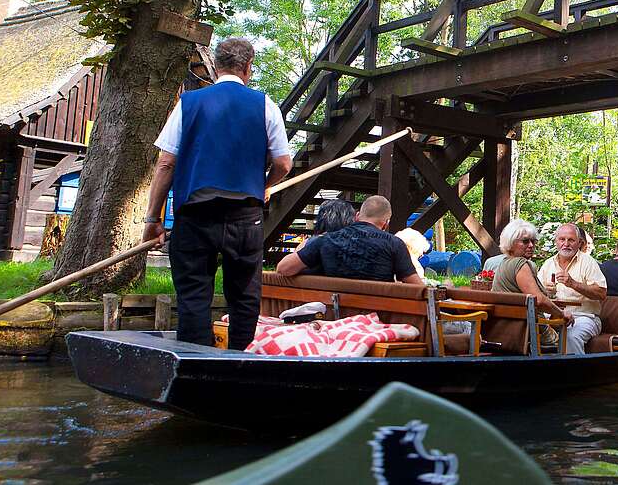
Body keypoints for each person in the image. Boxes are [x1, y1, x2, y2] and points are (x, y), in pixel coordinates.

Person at [141, 37, 292, 352]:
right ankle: (240, 363)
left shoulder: (188, 104)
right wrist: (264, 185)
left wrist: (153, 219)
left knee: (194, 296)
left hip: (196, 214)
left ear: (216, 66)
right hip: (245, 216)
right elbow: (283, 164)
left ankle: (195, 365)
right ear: (248, 67)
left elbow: (166, 164)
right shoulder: (266, 105)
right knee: (244, 296)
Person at [277, 195, 423, 284]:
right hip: (377, 317)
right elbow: (417, 287)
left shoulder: (326, 240)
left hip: (333, 314)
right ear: (386, 223)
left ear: (357, 216)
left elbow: (283, 268)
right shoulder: (394, 244)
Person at [491, 219, 572, 338]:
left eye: (533, 241)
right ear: (511, 243)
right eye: (525, 241)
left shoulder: (504, 263)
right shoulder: (520, 264)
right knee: (570, 335)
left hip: (508, 328)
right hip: (529, 333)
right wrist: (561, 313)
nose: (531, 245)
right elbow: (538, 300)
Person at [538, 223, 607, 354]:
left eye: (571, 240)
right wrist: (545, 291)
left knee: (571, 336)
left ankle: (574, 368)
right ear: (556, 241)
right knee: (532, 330)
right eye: (562, 239)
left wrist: (573, 284)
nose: (566, 244)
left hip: (583, 317)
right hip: (552, 316)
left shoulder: (588, 262)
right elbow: (536, 292)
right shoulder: (548, 264)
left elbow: (601, 293)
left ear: (579, 242)